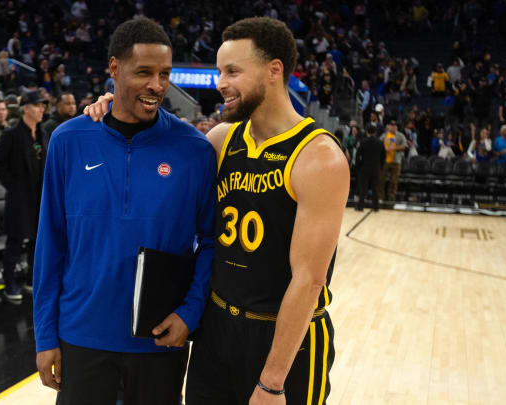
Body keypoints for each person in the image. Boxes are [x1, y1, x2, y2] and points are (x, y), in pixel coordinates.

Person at [86, 16, 348, 405]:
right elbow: (158, 144)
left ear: (274, 71)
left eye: (232, 71)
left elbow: (309, 280)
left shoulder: (318, 157)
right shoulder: (222, 139)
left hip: (284, 337)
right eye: (219, 70)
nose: (220, 82)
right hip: (217, 328)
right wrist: (116, 105)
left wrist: (273, 381)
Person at [33, 18, 216, 405]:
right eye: (144, 73)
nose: (157, 86)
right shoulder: (68, 141)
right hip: (81, 337)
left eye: (165, 74)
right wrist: (45, 335)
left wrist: (190, 312)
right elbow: (51, 243)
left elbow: (212, 242)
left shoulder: (195, 149)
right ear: (114, 69)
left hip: (159, 340)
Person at [0, 92, 47, 301]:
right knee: (14, 242)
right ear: (25, 108)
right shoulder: (12, 134)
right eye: (37, 106)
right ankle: (9, 284)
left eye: (42, 106)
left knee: (36, 242)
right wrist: (13, 185)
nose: (41, 109)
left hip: (39, 197)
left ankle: (31, 280)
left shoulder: (42, 133)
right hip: (19, 197)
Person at [355, 124, 386, 211]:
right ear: (375, 132)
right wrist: (380, 166)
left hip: (364, 168)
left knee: (363, 188)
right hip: (376, 168)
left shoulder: (363, 142)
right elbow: (384, 156)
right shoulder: (380, 142)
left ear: (367, 132)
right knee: (375, 188)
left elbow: (358, 156)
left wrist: (359, 167)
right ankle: (376, 207)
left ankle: (360, 207)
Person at [378, 120, 407, 201]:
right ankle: (380, 196)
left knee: (393, 181)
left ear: (396, 127)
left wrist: (394, 148)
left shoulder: (400, 136)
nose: (393, 127)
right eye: (391, 125)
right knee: (381, 180)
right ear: (388, 126)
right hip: (385, 161)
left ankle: (391, 197)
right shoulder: (384, 135)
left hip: (396, 161)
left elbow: (405, 146)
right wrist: (384, 148)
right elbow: (379, 145)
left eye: (394, 125)